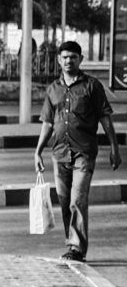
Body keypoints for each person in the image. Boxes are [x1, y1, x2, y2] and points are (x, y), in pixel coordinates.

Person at [34, 41, 121, 262]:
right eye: (64, 57)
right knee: (64, 202)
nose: (68, 61)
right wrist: (38, 151)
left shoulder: (92, 86)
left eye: (73, 57)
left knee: (77, 200)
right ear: (58, 60)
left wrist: (114, 148)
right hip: (60, 153)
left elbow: (105, 119)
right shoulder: (53, 89)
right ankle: (72, 244)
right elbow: (47, 123)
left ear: (80, 59)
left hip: (84, 153)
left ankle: (77, 248)